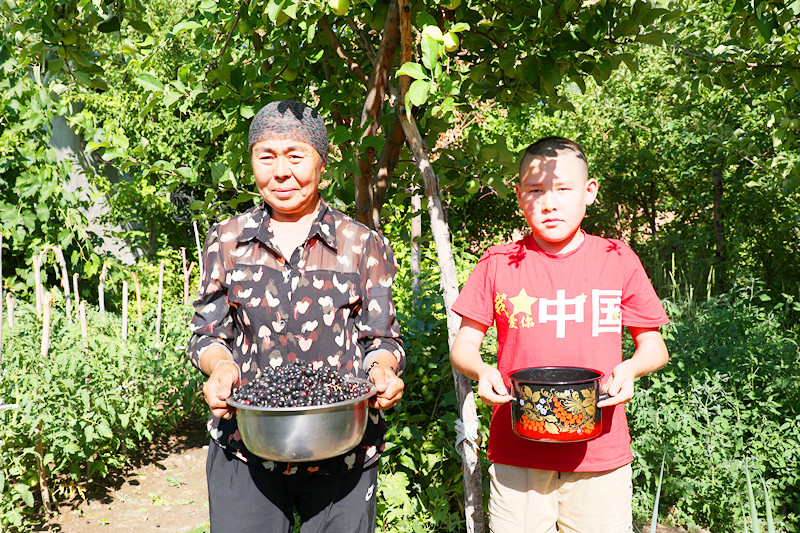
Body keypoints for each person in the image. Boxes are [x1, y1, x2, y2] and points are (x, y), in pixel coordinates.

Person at [187, 99, 405, 533]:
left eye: (295, 156)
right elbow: (207, 333)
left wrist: (382, 370)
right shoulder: (226, 240)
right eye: (266, 156)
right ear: (252, 162)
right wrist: (221, 367)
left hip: (342, 447)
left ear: (321, 163)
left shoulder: (361, 244)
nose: (281, 172)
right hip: (247, 443)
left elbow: (381, 338)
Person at [449, 136, 669, 532]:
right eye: (536, 190)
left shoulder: (617, 259)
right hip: (518, 451)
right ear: (520, 196)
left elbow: (654, 345)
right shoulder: (498, 263)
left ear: (589, 192)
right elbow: (464, 345)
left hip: (599, 451)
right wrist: (481, 371)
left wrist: (631, 369)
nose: (549, 203)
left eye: (564, 189)